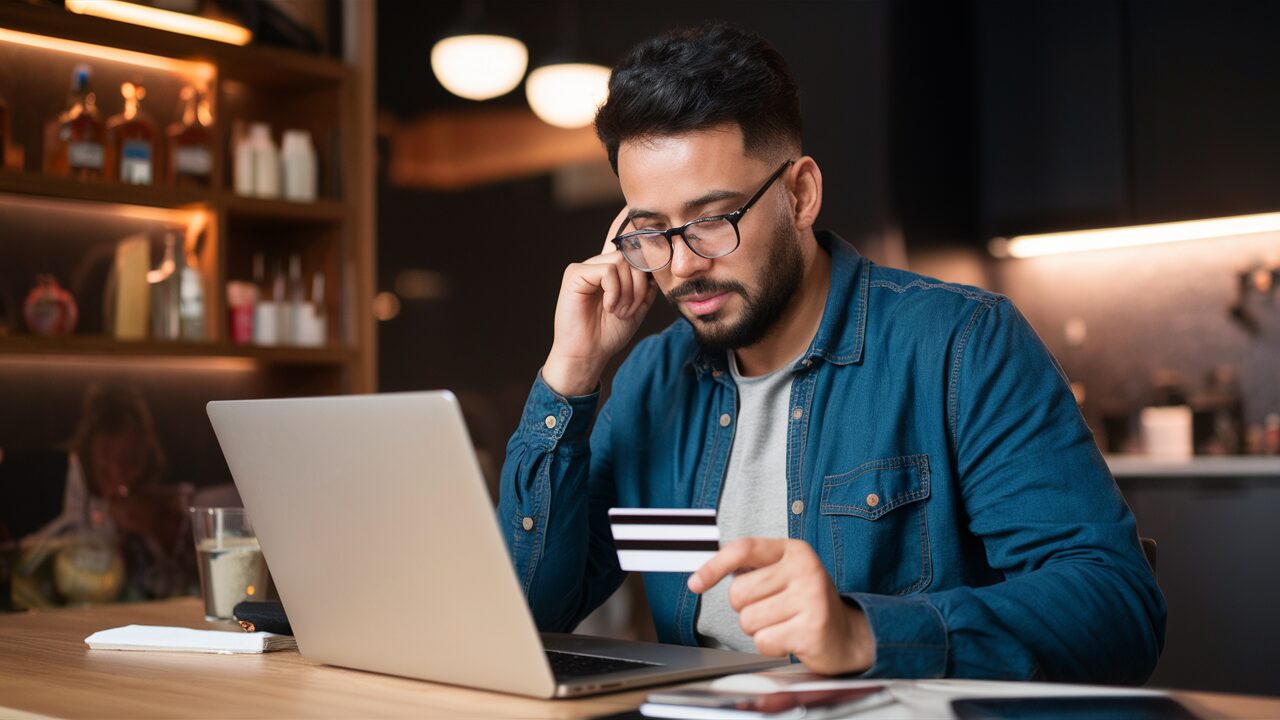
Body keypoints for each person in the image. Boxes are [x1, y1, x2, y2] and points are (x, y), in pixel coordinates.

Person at [498, 22, 1165, 682]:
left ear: (800, 193)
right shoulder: (651, 382)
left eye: (709, 222)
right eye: (651, 231)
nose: (680, 266)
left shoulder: (959, 343)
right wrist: (571, 375)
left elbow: (1117, 606)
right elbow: (531, 614)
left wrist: (863, 631)